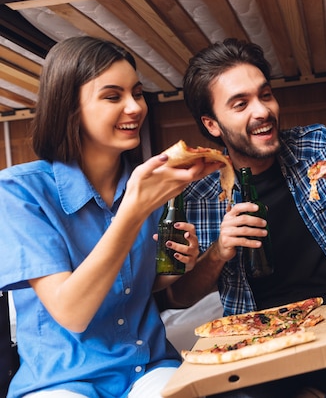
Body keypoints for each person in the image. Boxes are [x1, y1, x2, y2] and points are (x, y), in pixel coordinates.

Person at [163, 38, 326, 397]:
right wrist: (218, 253)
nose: (262, 111)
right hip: (257, 340)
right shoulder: (196, 195)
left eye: (265, 95)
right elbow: (178, 298)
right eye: (240, 104)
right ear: (212, 124)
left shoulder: (318, 146)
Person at [0, 36, 220, 397]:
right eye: (113, 96)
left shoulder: (147, 184)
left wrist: (179, 265)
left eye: (137, 92)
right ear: (69, 107)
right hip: (62, 381)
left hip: (147, 367)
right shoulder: (19, 192)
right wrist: (132, 212)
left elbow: (137, 286)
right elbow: (73, 312)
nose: (135, 107)